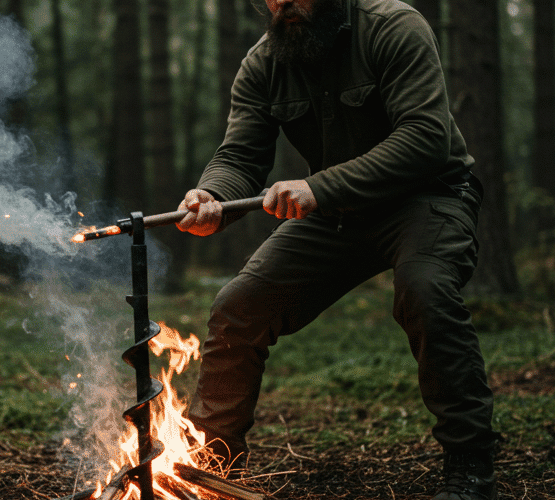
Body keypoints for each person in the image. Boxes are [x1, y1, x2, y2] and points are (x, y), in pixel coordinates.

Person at [173, 0, 500, 499]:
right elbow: (241, 154)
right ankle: (210, 469)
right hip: (336, 213)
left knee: (425, 288)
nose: (283, 3)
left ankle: (470, 465)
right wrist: (212, 195)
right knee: (237, 309)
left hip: (428, 196)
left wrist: (320, 187)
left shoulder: (393, 27)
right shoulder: (262, 63)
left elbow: (426, 137)